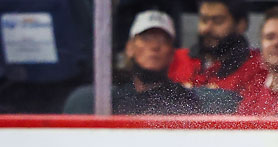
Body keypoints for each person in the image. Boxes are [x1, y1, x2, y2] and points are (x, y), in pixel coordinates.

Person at [63, 9, 201, 115]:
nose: (154, 47)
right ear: (129, 48)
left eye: (163, 40)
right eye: (146, 38)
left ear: (172, 53)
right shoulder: (111, 98)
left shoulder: (184, 99)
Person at [168, 0, 264, 97]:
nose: (207, 29)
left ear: (241, 25)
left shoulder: (258, 66)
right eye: (204, 20)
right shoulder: (174, 59)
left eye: (218, 21)